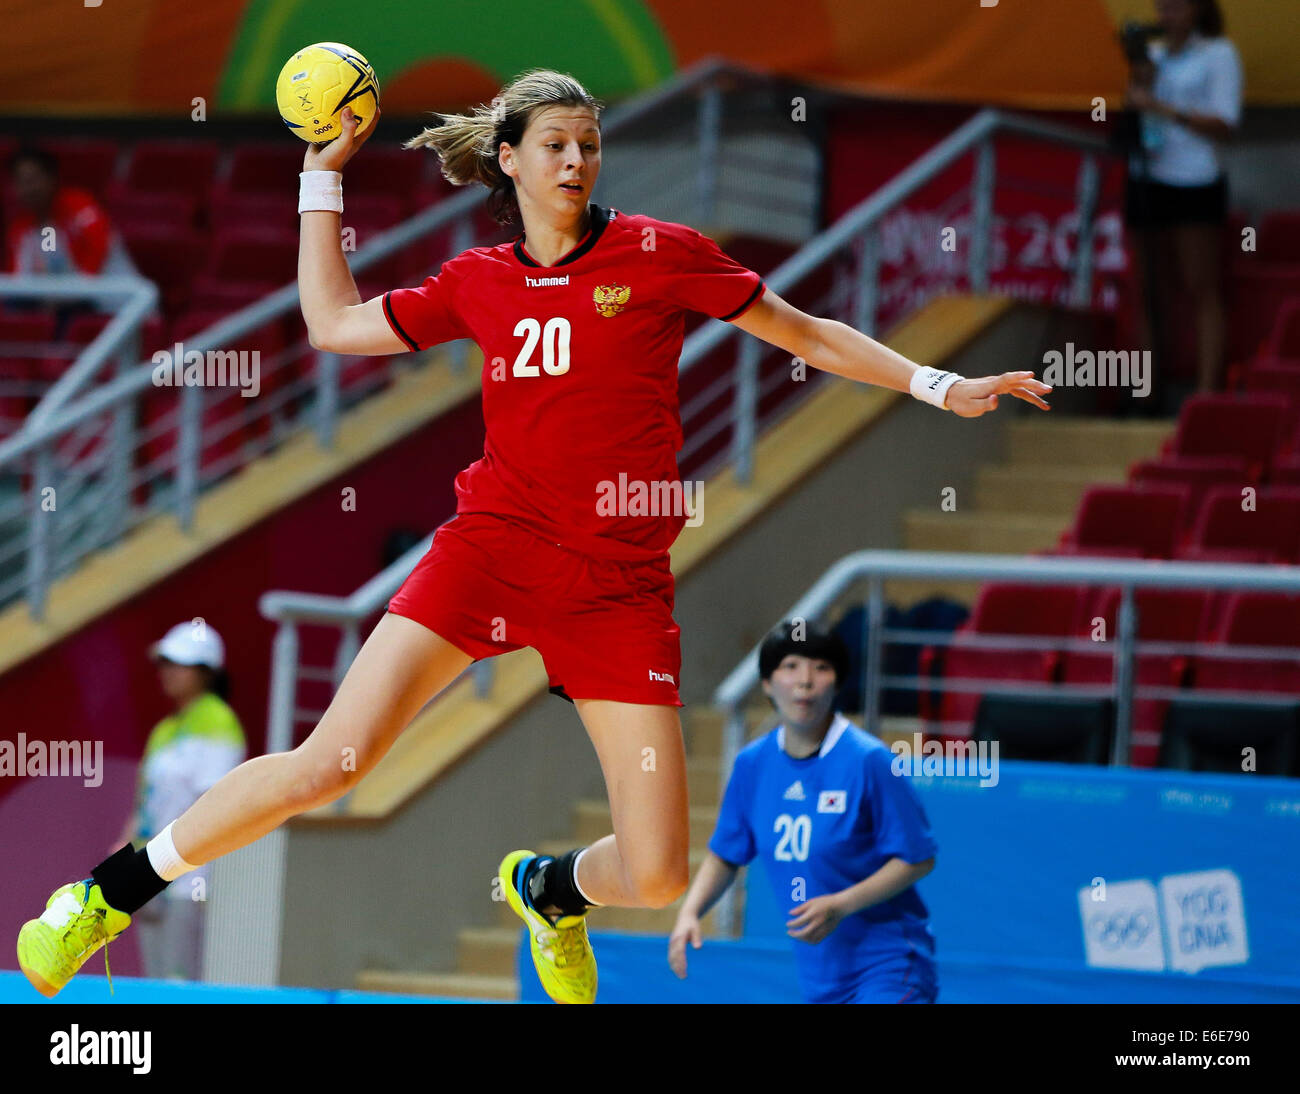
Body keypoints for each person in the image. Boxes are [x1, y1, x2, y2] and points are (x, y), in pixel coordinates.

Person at [17, 68, 1049, 1006]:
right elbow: (332, 325)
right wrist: (319, 179)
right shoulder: (476, 279)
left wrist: (937, 381)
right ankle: (104, 895)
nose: (575, 161)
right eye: (554, 143)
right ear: (507, 158)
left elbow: (805, 331)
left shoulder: (658, 253)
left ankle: (547, 886)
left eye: (589, 144)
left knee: (651, 873)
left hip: (615, 586)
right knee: (330, 760)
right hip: (491, 550)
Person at [668, 621, 939, 1003]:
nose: (805, 681)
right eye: (791, 665)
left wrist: (841, 905)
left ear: (838, 682)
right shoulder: (752, 764)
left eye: (821, 667)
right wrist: (690, 912)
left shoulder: (870, 760)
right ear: (766, 683)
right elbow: (727, 854)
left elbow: (918, 858)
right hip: (820, 976)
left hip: (890, 963)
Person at [111, 622, 245, 981]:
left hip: (189, 877)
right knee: (153, 980)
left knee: (180, 979)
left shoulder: (219, 721)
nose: (167, 672)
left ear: (205, 671)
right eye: (164, 663)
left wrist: (171, 861)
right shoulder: (164, 730)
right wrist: (124, 850)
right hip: (147, 872)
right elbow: (144, 804)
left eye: (178, 663)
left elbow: (214, 805)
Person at [1123, 0, 1243, 398]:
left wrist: (1163, 109)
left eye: (1176, 6)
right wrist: (1139, 77)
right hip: (1149, 176)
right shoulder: (1153, 56)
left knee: (1200, 286)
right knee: (1150, 288)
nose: (1166, 14)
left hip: (1195, 179)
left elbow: (1226, 123)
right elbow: (1131, 110)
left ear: (1196, 9)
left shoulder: (1219, 54)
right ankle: (1147, 390)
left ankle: (1207, 390)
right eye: (1162, 6)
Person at [3, 146, 136, 278]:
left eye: (32, 180)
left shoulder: (79, 205)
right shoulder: (20, 229)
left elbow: (99, 244)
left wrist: (72, 289)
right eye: (21, 182)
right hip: (64, 296)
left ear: (51, 178)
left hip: (114, 292)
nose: (28, 189)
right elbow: (17, 278)